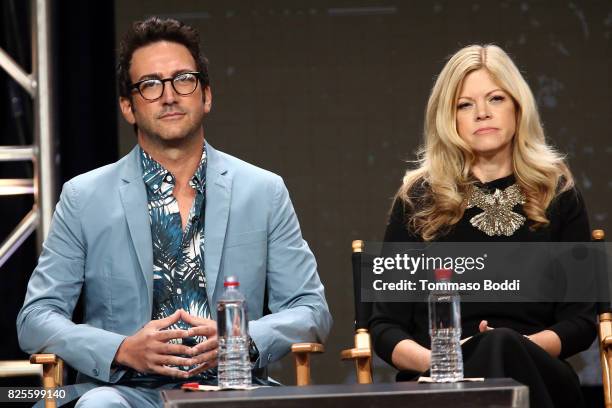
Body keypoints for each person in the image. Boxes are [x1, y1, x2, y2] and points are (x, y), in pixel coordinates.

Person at [17, 17, 332, 407]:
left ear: (206, 95)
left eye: (183, 79)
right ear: (128, 107)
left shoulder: (263, 191)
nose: (169, 96)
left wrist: (241, 338)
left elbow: (311, 310)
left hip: (234, 391)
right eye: (150, 85)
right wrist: (121, 348)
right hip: (124, 392)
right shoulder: (85, 197)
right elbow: (36, 318)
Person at [369, 44, 596, 408]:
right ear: (449, 116)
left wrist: (513, 346)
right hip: (438, 380)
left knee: (501, 344)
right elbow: (383, 330)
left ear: (517, 107)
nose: (482, 113)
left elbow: (582, 322)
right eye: (465, 104)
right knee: (493, 348)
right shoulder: (417, 199)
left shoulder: (559, 194)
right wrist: (445, 362)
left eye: (495, 98)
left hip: (538, 377)